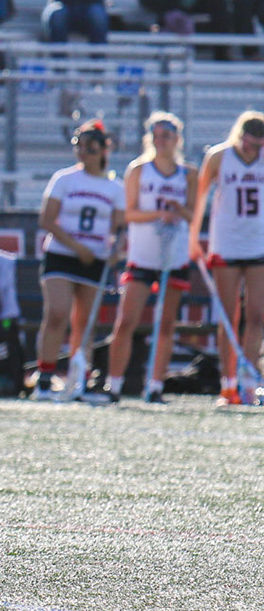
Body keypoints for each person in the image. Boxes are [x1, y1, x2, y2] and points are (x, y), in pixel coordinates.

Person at [32, 120, 126, 401]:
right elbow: (47, 220)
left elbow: (120, 228)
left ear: (104, 150)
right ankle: (45, 378)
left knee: (85, 323)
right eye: (79, 146)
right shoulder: (64, 179)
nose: (83, 153)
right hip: (61, 256)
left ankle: (79, 378)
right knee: (57, 313)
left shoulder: (115, 187)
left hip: (94, 260)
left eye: (90, 147)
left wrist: (116, 251)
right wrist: (76, 246)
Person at [105, 112, 195, 403]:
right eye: (156, 136)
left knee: (166, 324)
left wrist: (177, 210)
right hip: (143, 255)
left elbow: (193, 214)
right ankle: (113, 384)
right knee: (126, 321)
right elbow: (128, 213)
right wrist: (158, 213)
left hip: (173, 256)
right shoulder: (139, 170)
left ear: (176, 139)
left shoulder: (188, 174)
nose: (160, 141)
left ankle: (156, 385)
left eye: (166, 136)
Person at [187, 111, 264, 406]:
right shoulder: (220, 157)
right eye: (248, 143)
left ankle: (249, 380)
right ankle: (227, 383)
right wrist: (194, 238)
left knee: (257, 315)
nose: (251, 150)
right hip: (227, 244)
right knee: (229, 317)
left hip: (258, 243)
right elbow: (200, 198)